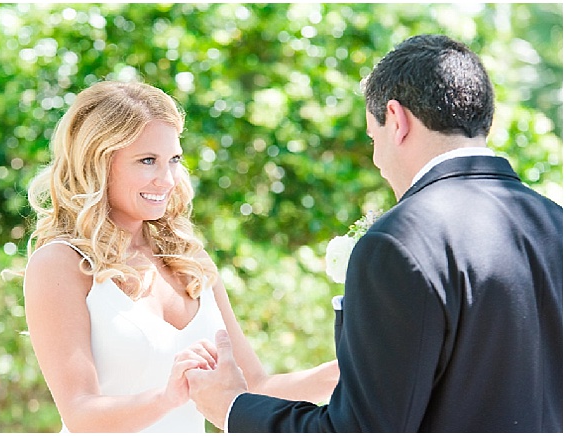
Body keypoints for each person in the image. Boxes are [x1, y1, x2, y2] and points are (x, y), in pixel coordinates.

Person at [186, 34, 563, 432]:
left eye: (372, 137)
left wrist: (231, 406)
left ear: (396, 120)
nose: (377, 160)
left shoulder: (399, 240)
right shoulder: (555, 223)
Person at [23, 80, 339, 433]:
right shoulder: (60, 263)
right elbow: (80, 413)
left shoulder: (190, 259)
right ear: (97, 163)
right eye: (148, 161)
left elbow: (254, 387)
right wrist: (166, 398)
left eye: (173, 160)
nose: (168, 179)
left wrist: (348, 372)